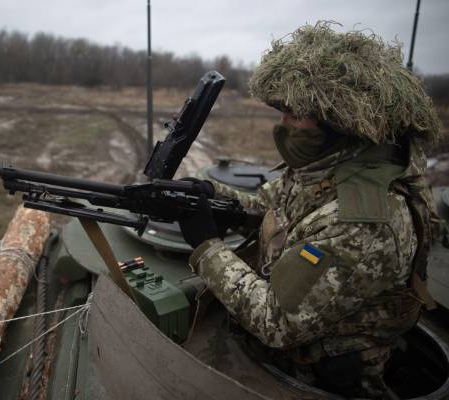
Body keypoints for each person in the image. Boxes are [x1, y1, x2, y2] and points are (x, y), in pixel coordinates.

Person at [178, 22, 441, 399]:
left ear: (340, 123)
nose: (282, 124)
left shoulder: (363, 221)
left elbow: (276, 321)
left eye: (295, 114)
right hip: (293, 355)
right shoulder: (332, 164)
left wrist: (207, 247)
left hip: (319, 380)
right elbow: (274, 203)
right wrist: (209, 194)